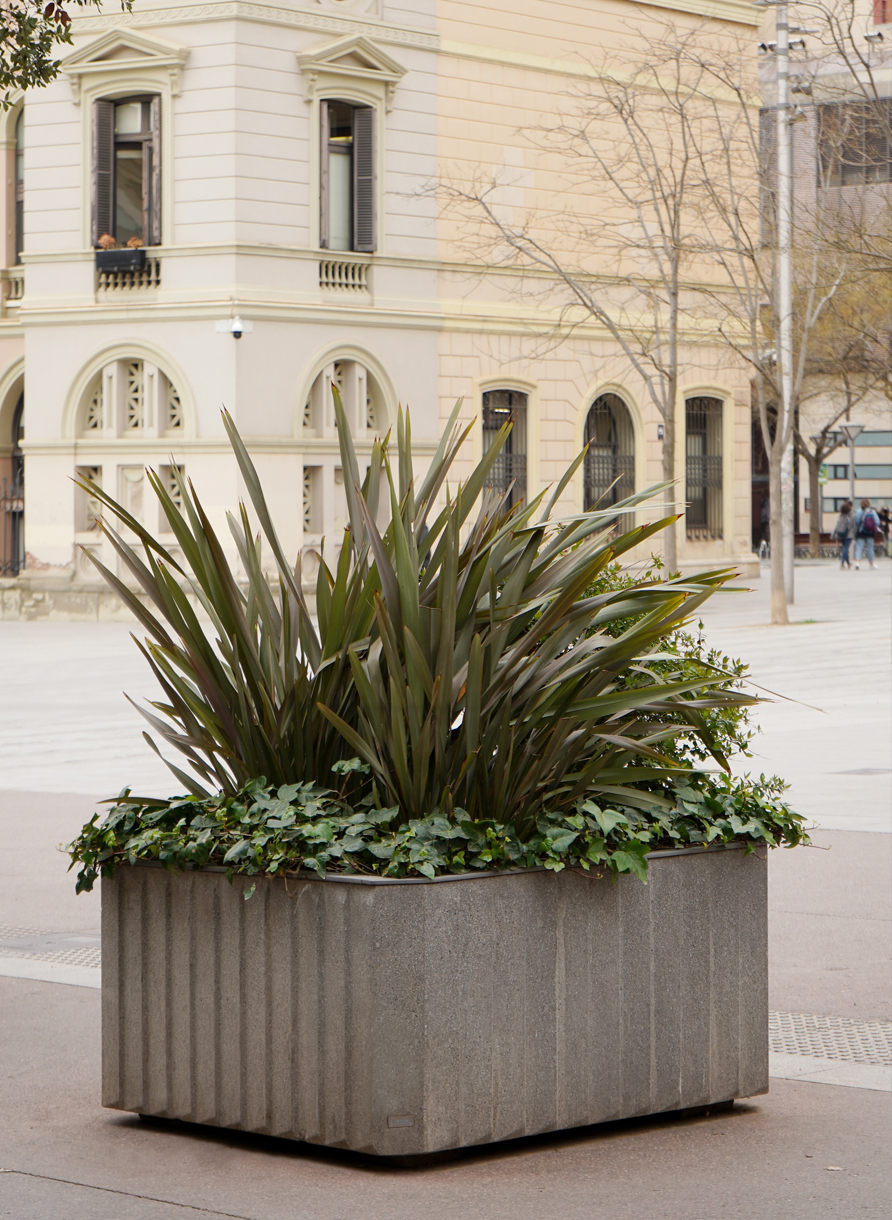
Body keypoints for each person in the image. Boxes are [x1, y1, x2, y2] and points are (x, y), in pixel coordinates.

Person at [853, 498, 880, 570]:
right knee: (870, 548)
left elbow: (857, 522)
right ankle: (871, 564)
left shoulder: (858, 511)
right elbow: (877, 522)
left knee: (859, 548)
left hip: (861, 532)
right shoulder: (872, 512)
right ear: (869, 504)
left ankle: (857, 564)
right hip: (870, 532)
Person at [832, 500, 856, 569]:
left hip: (841, 533)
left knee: (845, 548)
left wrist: (833, 534)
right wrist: (855, 535)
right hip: (849, 535)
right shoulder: (853, 515)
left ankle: (848, 563)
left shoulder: (840, 514)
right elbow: (854, 526)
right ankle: (842, 563)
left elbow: (837, 524)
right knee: (845, 548)